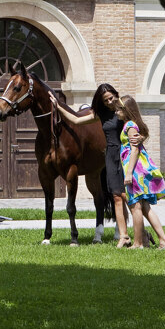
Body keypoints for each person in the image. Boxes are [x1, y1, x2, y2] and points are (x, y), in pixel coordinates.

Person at [54, 83, 131, 247]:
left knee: (128, 197)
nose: (109, 101)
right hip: (110, 155)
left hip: (124, 154)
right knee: (116, 195)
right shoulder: (101, 114)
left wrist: (139, 139)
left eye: (111, 98)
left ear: (116, 95)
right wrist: (58, 106)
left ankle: (142, 232)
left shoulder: (125, 110)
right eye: (105, 100)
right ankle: (123, 235)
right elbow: (76, 119)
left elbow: (138, 127)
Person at [118, 96, 165, 250]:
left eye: (119, 109)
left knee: (135, 206)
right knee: (146, 207)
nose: (116, 112)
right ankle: (164, 241)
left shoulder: (129, 125)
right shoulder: (132, 125)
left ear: (126, 110)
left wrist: (128, 174)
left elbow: (134, 149)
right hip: (136, 169)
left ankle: (138, 243)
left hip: (134, 170)